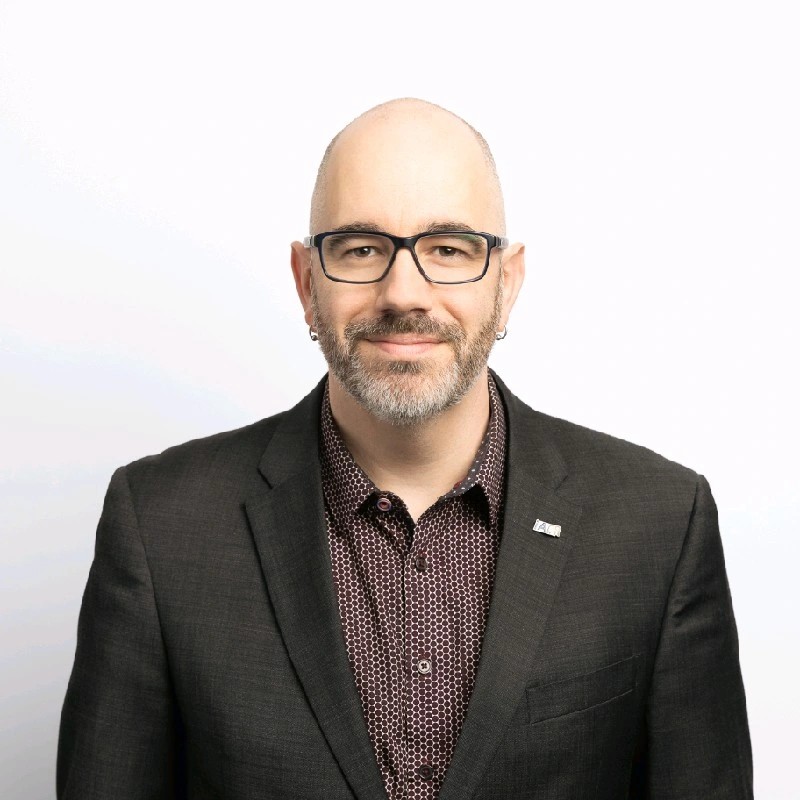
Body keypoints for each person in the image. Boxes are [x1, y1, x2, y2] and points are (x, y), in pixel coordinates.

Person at [57, 98, 753, 800]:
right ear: (306, 282)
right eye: (361, 249)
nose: (403, 292)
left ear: (507, 282)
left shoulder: (659, 525)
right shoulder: (160, 526)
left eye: (449, 249)